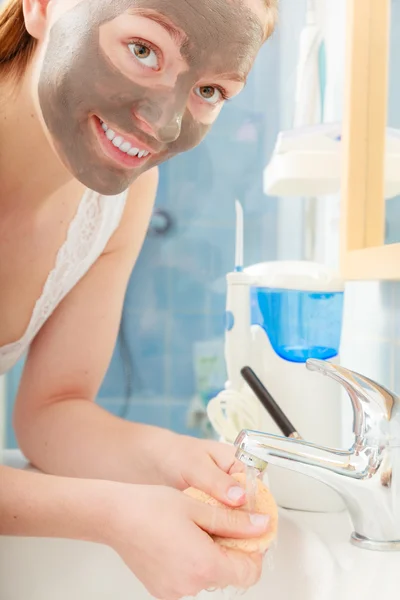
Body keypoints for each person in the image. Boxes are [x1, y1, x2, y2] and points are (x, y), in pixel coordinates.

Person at [0, 0, 278, 598]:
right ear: (42, 7)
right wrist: (113, 515)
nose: (165, 123)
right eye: (143, 49)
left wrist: (175, 460)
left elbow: (52, 411)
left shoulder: (119, 201)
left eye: (209, 89)